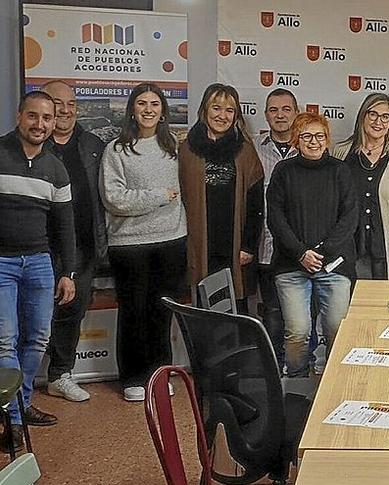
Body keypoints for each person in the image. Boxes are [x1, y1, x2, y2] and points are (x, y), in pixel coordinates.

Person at [100, 82, 187, 402]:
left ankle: (160, 372)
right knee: (133, 312)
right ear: (132, 110)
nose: (148, 109)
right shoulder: (117, 149)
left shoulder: (175, 148)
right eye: (141, 104)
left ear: (163, 110)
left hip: (171, 240)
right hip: (129, 244)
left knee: (161, 312)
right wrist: (159, 196)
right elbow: (114, 199)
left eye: (154, 103)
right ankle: (132, 378)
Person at [0, 91, 75, 450]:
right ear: (19, 117)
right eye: (33, 117)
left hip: (41, 265)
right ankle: (13, 419)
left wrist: (68, 272)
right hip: (1, 264)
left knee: (38, 339)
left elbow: (65, 227)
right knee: (5, 341)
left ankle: (21, 402)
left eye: (47, 118)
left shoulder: (56, 168)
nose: (40, 125)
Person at [267, 113, 357, 377]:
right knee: (298, 332)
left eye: (319, 136)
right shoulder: (284, 170)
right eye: (306, 136)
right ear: (297, 140)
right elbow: (276, 217)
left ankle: (333, 382)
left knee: (336, 328)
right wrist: (301, 253)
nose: (314, 141)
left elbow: (349, 217)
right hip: (291, 266)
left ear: (327, 139)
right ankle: (295, 382)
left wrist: (322, 252)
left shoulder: (340, 170)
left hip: (334, 265)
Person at [42, 80, 106, 403]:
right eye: (58, 103)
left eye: (71, 103)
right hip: (40, 247)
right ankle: (24, 382)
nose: (65, 110)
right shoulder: (35, 143)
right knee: (36, 315)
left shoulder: (92, 144)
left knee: (71, 312)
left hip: (82, 246)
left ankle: (60, 375)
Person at [179, 83, 264, 310]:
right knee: (204, 313)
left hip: (234, 247)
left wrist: (248, 246)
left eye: (229, 110)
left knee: (236, 314)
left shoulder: (245, 150)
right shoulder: (186, 149)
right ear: (205, 109)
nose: (222, 116)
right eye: (216, 108)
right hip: (198, 246)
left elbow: (256, 203)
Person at [332, 93, 389, 280]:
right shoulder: (341, 152)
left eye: (385, 117)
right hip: (350, 244)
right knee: (351, 302)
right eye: (372, 114)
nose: (378, 122)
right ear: (362, 117)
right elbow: (330, 198)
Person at [255, 88, 298, 369]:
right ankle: (273, 369)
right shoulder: (254, 150)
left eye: (286, 109)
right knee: (272, 311)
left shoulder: (311, 146)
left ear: (296, 112)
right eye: (273, 110)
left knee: (300, 316)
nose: (280, 115)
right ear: (266, 114)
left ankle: (298, 369)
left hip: (301, 248)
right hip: (266, 245)